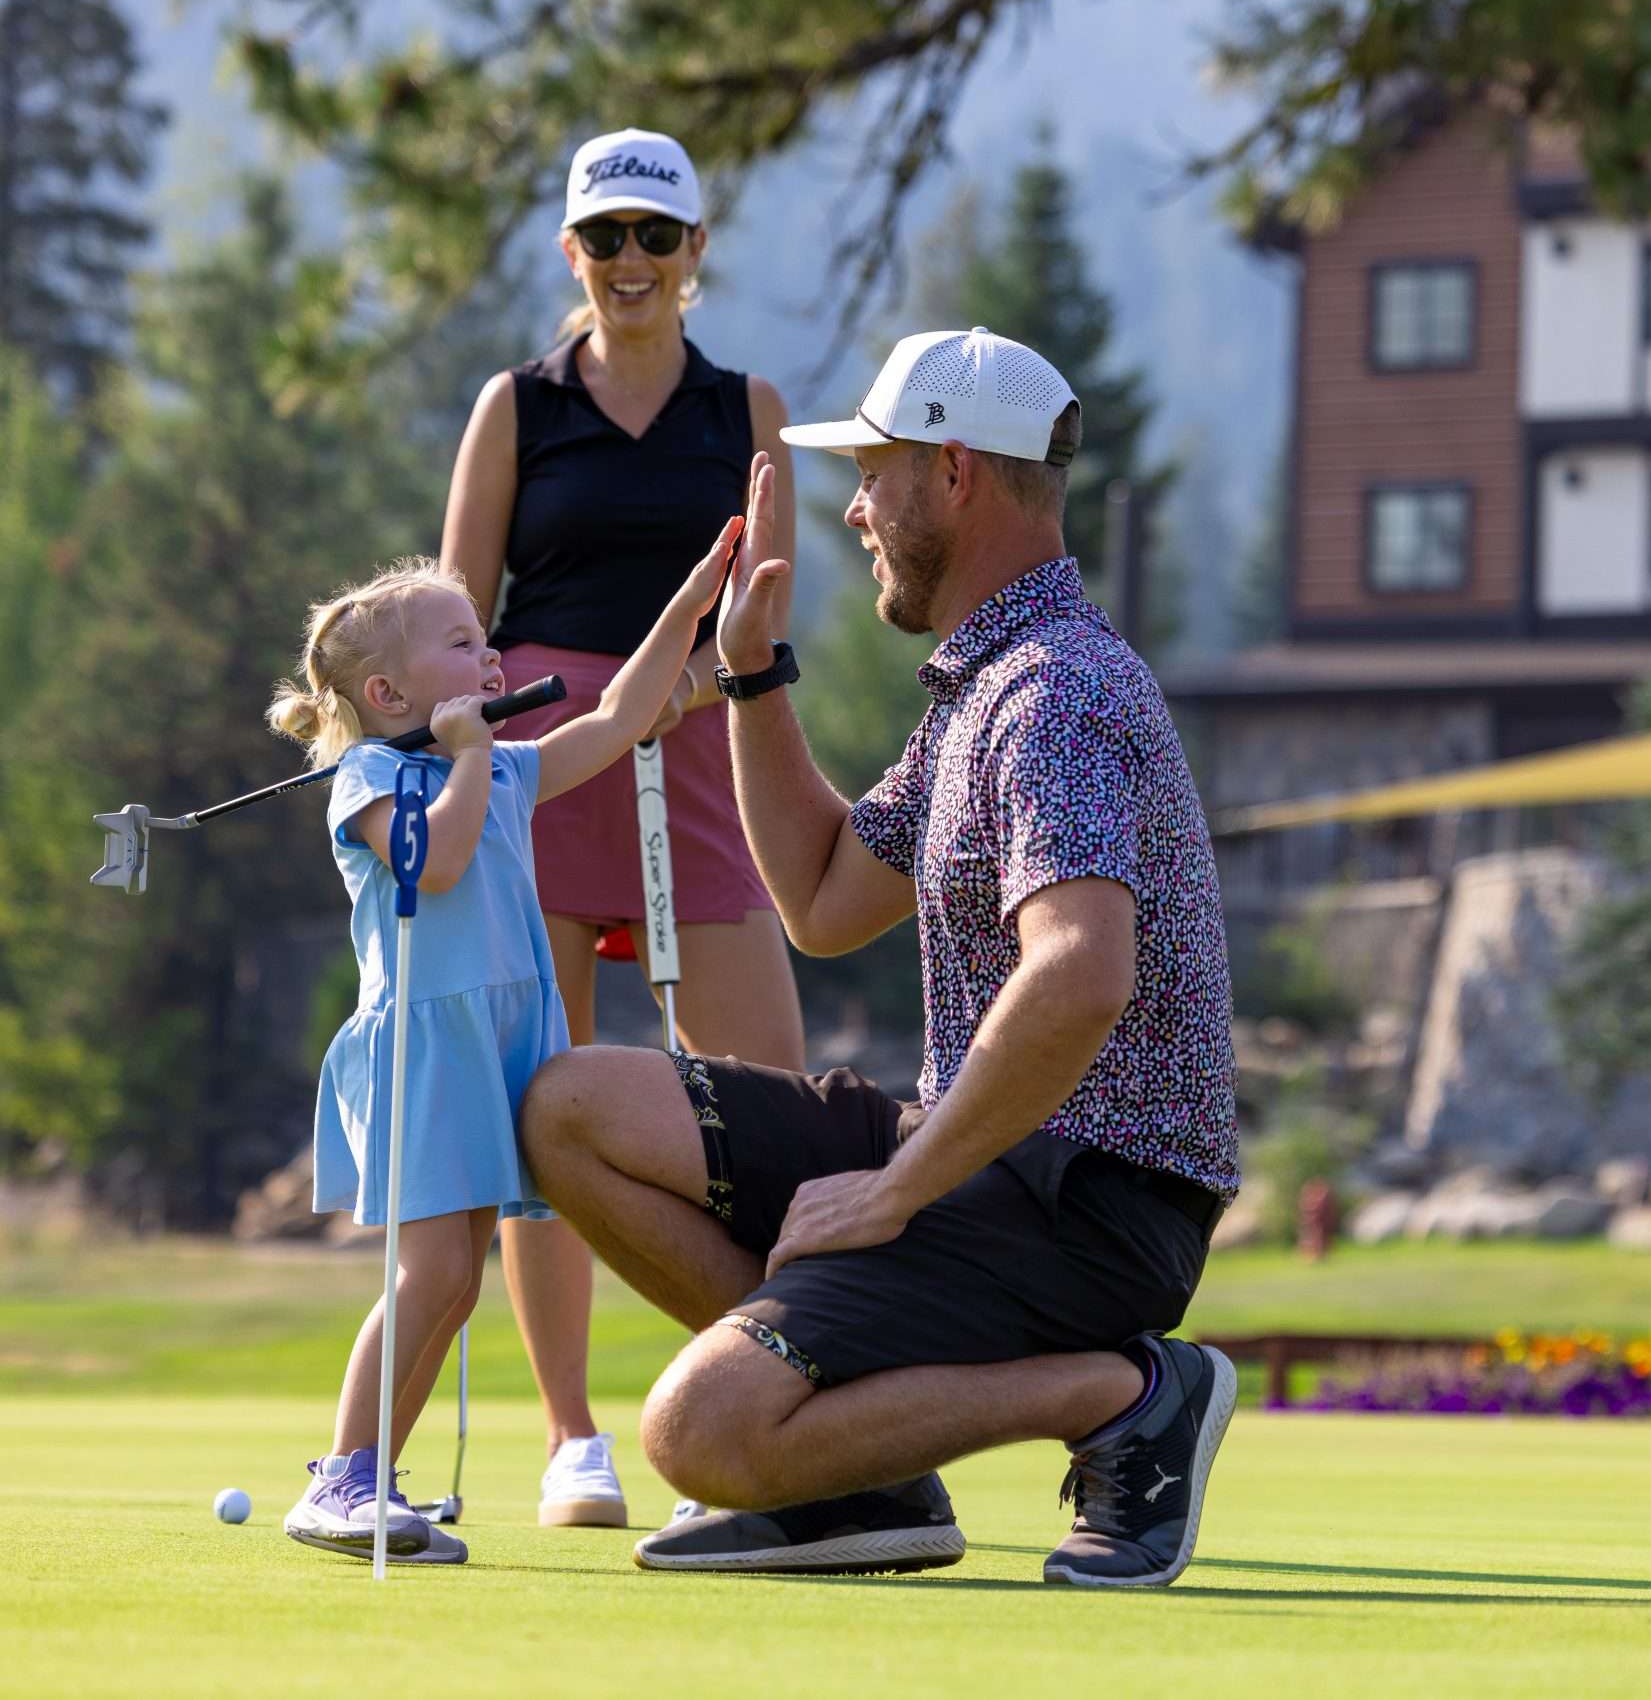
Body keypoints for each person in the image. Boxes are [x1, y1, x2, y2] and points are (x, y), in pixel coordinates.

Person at [520, 328, 1242, 1588]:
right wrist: (751, 675)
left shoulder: (1051, 692)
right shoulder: (983, 685)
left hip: (1089, 1199)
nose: (853, 507)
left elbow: (1080, 974)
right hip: (980, 1156)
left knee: (699, 1431)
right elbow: (818, 897)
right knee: (573, 1106)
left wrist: (896, 1192)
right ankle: (852, 1473)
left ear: (952, 474)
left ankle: (1130, 1391)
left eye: (873, 469)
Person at [438, 127, 806, 1529]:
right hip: (541, 772)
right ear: (571, 254)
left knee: (766, 1104)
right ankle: (571, 1437)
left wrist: (686, 690)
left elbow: (768, 613)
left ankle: (766, 1411)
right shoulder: (518, 408)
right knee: (552, 1099)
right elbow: (458, 614)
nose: (633, 262)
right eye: (608, 238)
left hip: (700, 762)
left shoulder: (747, 410)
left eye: (660, 237)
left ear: (697, 253)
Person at [263, 520, 737, 1565]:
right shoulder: (373, 786)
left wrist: (692, 597)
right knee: (430, 1274)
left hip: (499, 1046)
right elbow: (434, 863)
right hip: (426, 1058)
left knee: (457, 1279)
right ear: (388, 696)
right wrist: (474, 754)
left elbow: (618, 717)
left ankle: (370, 1473)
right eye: (461, 644)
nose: (490, 659)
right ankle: (343, 1475)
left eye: (485, 641)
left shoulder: (503, 770)